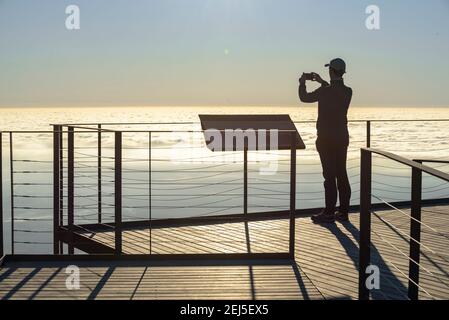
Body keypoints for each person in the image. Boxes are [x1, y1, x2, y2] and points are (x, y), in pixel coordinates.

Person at [298, 58, 353, 223]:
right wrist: (322, 82)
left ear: (331, 71)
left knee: (329, 176)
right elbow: (334, 91)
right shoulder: (348, 91)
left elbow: (304, 97)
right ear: (342, 72)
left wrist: (302, 83)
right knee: (341, 174)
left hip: (326, 139)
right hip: (342, 137)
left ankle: (329, 213)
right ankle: (343, 212)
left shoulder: (324, 92)